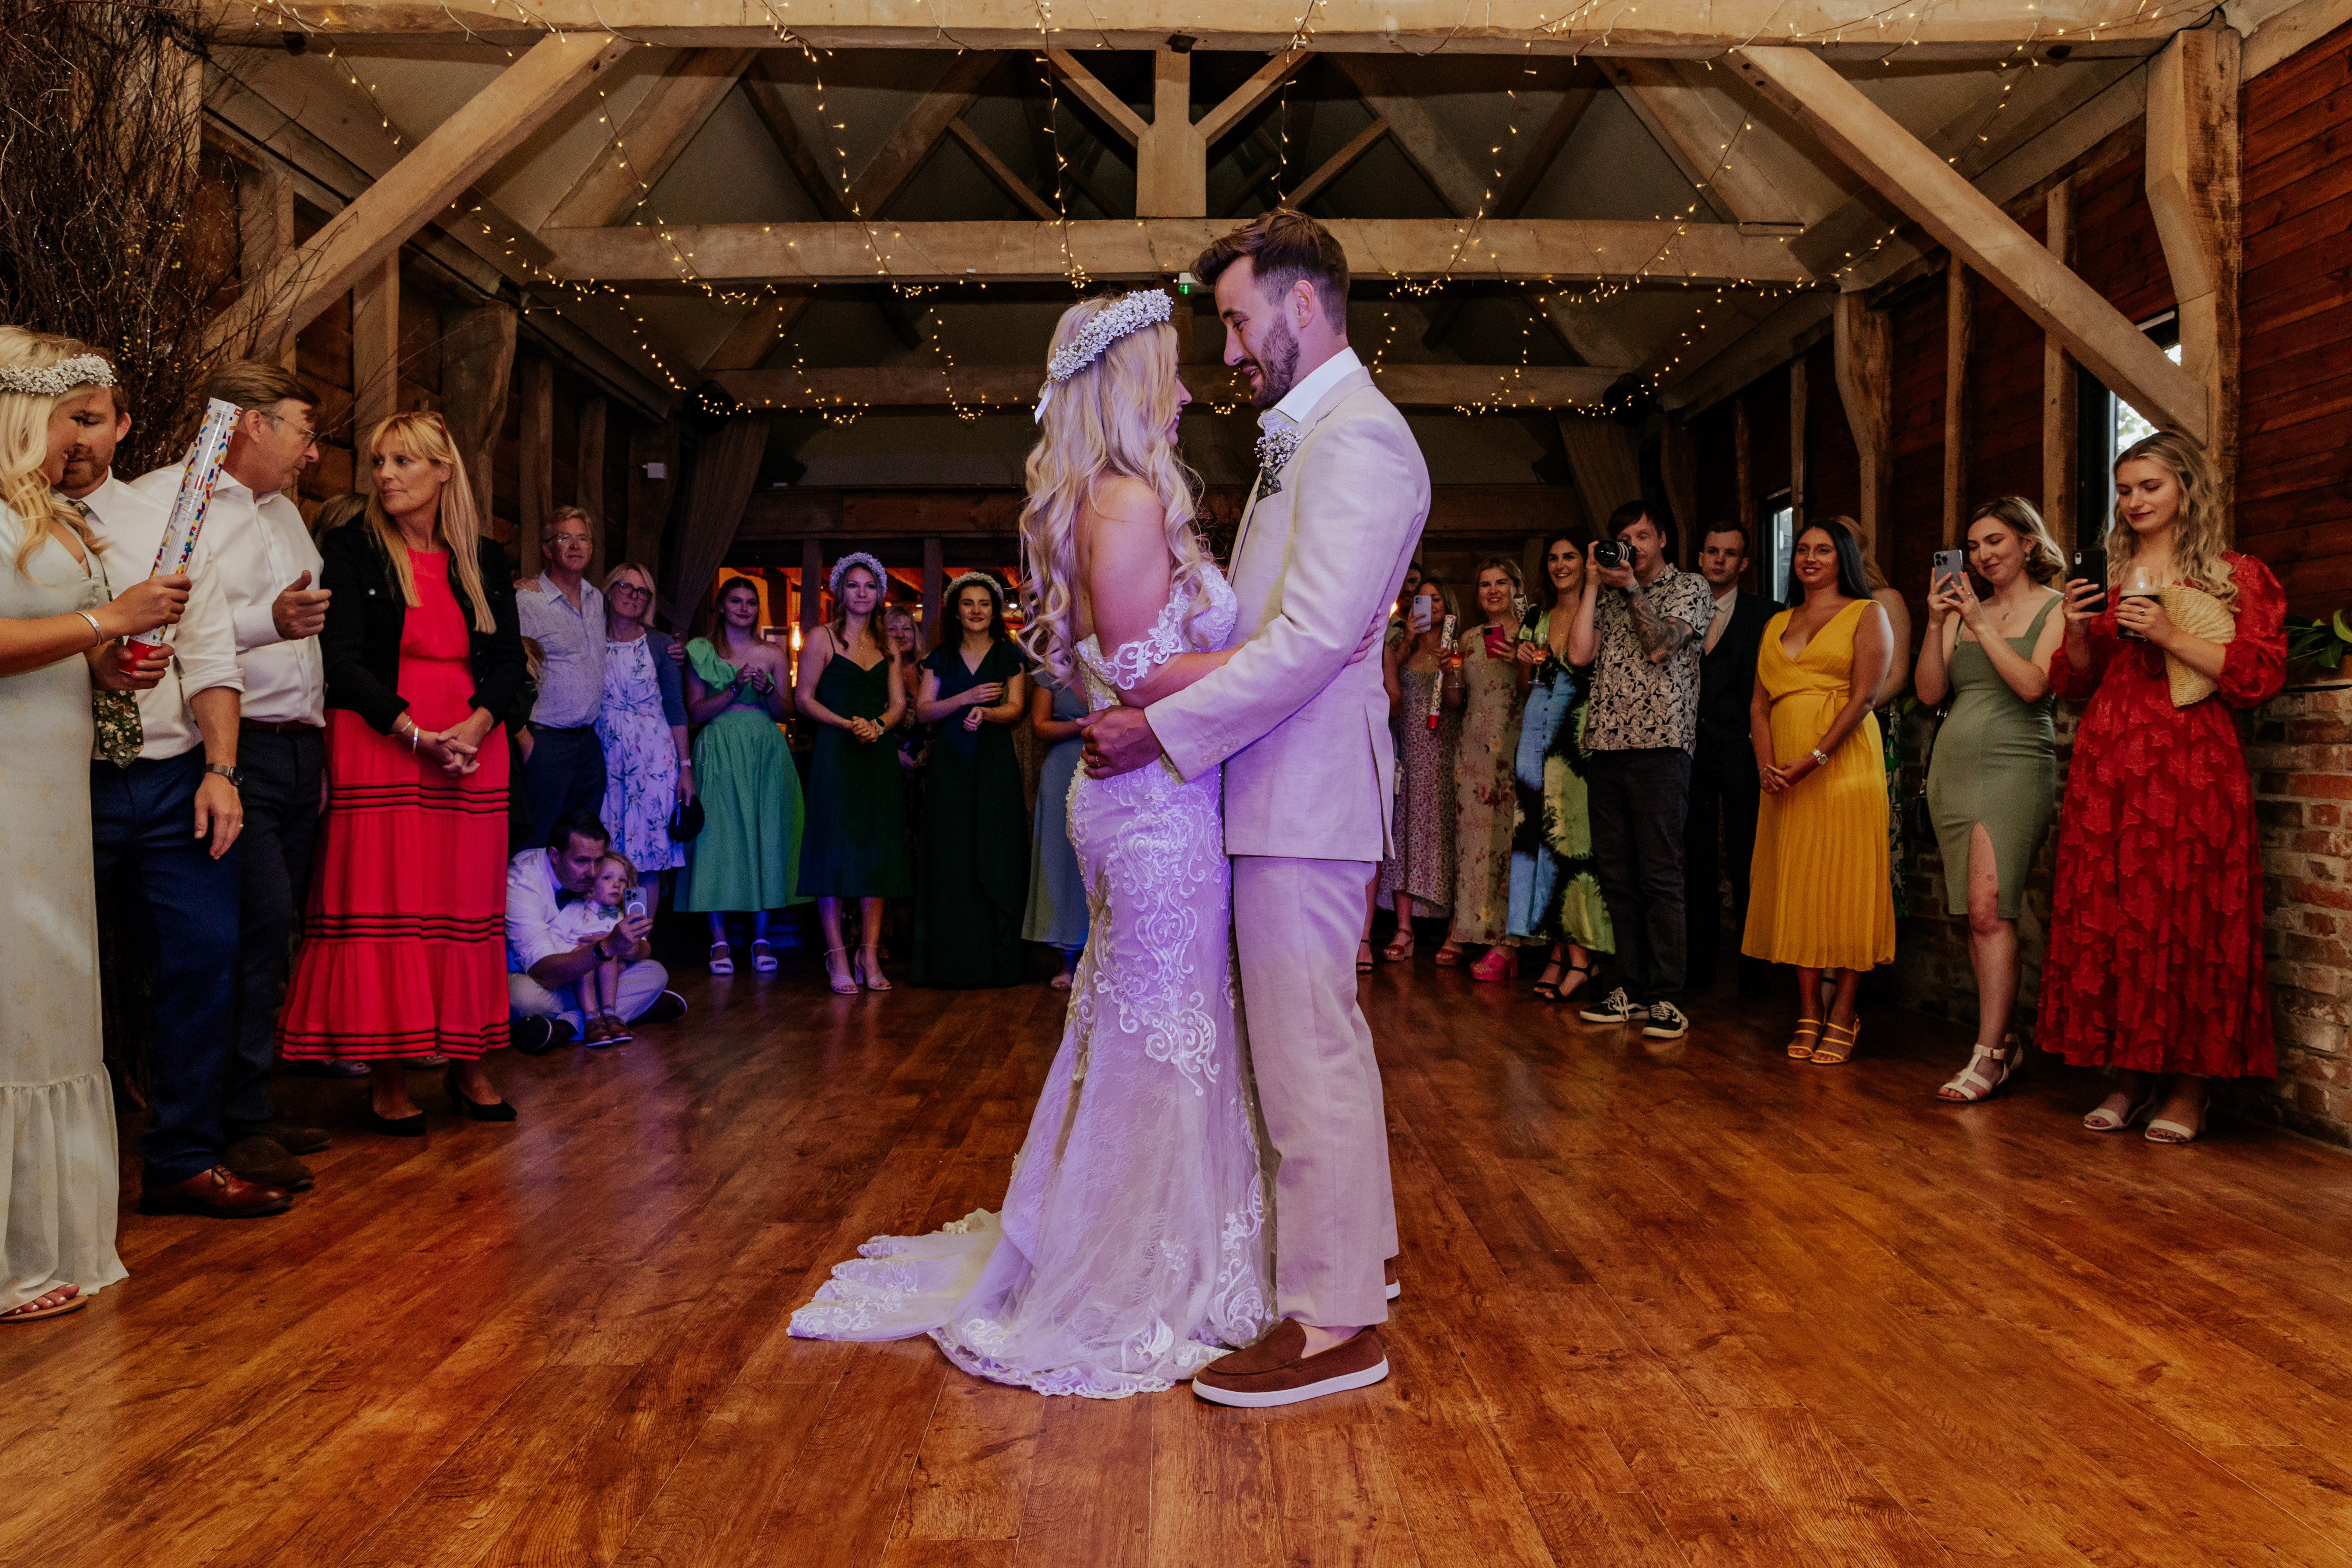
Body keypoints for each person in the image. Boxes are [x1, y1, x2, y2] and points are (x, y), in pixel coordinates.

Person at [790, 286, 1275, 1393]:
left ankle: (1165, 1243)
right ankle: (1132, 1274)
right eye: (1174, 367)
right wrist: (1294, 653)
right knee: (1158, 1030)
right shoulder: (1122, 502)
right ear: (1130, 381)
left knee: (1154, 1025)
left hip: (1155, 788)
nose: (1194, 387)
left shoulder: (1118, 495)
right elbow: (1146, 673)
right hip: (1150, 801)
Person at [1081, 210, 1427, 1404]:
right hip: (1279, 789)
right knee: (1316, 1046)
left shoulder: (1361, 443)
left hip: (1308, 795)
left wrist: (1156, 728)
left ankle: (1332, 1328)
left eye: (1236, 321)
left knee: (1305, 1054)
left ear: (1299, 305)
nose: (1228, 351)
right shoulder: (1309, 437)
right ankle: (1355, 1275)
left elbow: (1315, 641)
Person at [60, 352, 293, 1214]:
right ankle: (52, 1175)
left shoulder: (166, 518)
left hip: (170, 776)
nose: (79, 438)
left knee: (204, 961)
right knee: (50, 975)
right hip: (58, 782)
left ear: (123, 426)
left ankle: (183, 1156)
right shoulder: (19, 523)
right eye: (64, 419)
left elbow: (212, 657)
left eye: (96, 419)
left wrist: (223, 770)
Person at [0, 331, 192, 1319]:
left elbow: (64, 646)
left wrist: (112, 665)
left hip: (53, 794)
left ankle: (46, 1238)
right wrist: (105, 624)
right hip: (3, 795)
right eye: (67, 418)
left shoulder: (57, 525)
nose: (79, 440)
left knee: (55, 999)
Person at [278, 411, 526, 1132]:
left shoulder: (481, 555)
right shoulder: (353, 548)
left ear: (443, 471)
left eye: (403, 462)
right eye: (380, 462)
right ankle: (388, 1078)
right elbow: (341, 659)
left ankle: (469, 1066)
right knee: (388, 908)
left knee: (464, 909)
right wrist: (416, 733)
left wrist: (477, 724)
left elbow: (510, 659)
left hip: (473, 747)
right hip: (384, 738)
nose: (384, 474)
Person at [2041, 432, 2287, 1144]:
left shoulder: (2233, 573)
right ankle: (2127, 1077)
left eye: (2148, 486)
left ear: (2186, 490)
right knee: (2115, 916)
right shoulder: (2112, 568)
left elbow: (2257, 678)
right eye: (2123, 490)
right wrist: (2078, 630)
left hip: (2190, 761)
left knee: (2187, 912)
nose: (2133, 501)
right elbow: (2074, 681)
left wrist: (2172, 634)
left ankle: (2188, 1089)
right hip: (2109, 761)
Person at [131, 359, 342, 1166]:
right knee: (242, 930)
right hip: (228, 745)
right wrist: (270, 621)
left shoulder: (286, 513)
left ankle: (250, 1107)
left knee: (273, 932)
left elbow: (306, 638)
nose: (312, 451)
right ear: (253, 423)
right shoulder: (170, 500)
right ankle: (222, 1123)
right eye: (304, 431)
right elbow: (175, 622)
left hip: (295, 747)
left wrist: (314, 740)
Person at [1917, 499, 2066, 1103]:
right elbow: (1930, 691)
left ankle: (1987, 1055)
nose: (1983, 555)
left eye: (1995, 541)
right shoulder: (1956, 612)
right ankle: (2000, 1045)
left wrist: (1978, 623)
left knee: (1989, 908)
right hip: (1952, 769)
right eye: (1974, 546)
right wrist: (1936, 623)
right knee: (1976, 915)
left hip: (2014, 765)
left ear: (2028, 544)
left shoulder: (2055, 609)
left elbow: (2034, 686)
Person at [1742, 518, 1897, 1066]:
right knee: (1800, 884)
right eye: (1802, 550)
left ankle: (1845, 1011)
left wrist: (1815, 757)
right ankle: (1808, 1009)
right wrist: (1766, 765)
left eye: (1824, 550)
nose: (1810, 558)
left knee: (1846, 882)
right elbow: (1759, 704)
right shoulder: (1777, 622)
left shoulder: (1866, 613)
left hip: (1842, 763)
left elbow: (1864, 697)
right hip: (1782, 772)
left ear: (1844, 559)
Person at [1567, 500, 1714, 1041]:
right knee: (1617, 876)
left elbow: (1658, 649)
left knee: (1659, 876)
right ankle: (1626, 986)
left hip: (1661, 749)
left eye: (1643, 536)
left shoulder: (1689, 588)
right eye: (1625, 537)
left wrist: (1631, 588)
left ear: (1663, 540)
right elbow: (1579, 655)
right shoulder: (1603, 593)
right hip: (1605, 747)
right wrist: (1591, 582)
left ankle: (1667, 998)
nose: (1635, 546)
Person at [796, 551, 912, 994]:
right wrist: (848, 725)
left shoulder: (889, 645)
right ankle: (837, 955)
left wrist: (880, 725)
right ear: (839, 592)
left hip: (877, 753)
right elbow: (804, 698)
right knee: (833, 849)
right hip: (836, 750)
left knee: (876, 850)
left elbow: (899, 702)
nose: (862, 593)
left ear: (879, 594)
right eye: (853, 585)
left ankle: (868, 951)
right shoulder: (820, 638)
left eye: (869, 586)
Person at [678, 575, 804, 974]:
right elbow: (694, 712)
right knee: (717, 839)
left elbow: (786, 712)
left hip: (765, 747)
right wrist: (733, 688)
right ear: (721, 605)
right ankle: (719, 942)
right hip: (717, 746)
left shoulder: (772, 652)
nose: (744, 608)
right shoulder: (700, 650)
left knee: (765, 834)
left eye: (751, 601)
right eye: (736, 600)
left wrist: (768, 691)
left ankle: (761, 937)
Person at [911, 572, 1030, 988]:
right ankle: (950, 961)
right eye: (968, 604)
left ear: (994, 611)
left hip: (994, 763)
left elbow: (1016, 708)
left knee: (995, 848)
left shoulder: (1009, 654)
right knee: (951, 856)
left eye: (984, 603)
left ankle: (998, 960)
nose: (977, 610)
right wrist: (964, 700)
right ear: (956, 612)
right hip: (950, 767)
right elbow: (924, 711)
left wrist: (988, 713)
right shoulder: (940, 657)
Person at [1506, 533, 1611, 1004]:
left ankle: (1583, 961)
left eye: (1568, 556)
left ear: (1585, 563)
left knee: (1570, 840)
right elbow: (1524, 683)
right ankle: (1557, 952)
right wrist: (1522, 659)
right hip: (1535, 727)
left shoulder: (1604, 610)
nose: (1559, 565)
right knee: (1536, 841)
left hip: (1576, 730)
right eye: (1552, 558)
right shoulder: (1534, 617)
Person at [1684, 524, 1778, 998]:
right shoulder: (1677, 609)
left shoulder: (1768, 614)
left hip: (1742, 749)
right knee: (1693, 858)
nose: (1720, 560)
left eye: (1731, 554)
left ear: (1744, 563)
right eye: (1713, 551)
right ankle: (1698, 961)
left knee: (1748, 859)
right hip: (1687, 751)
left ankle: (1752, 965)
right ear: (1700, 557)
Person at [506, 811, 678, 1052]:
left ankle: (567, 1028)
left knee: (655, 973)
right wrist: (605, 949)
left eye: (599, 861)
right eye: (582, 861)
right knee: (520, 999)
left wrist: (625, 948)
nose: (593, 873)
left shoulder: (600, 886)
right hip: (540, 979)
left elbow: (643, 951)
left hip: (595, 979)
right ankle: (627, 1013)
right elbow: (543, 973)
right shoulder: (522, 881)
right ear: (555, 855)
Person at [1449, 557, 1526, 980]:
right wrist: (1450, 673)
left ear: (1516, 586)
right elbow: (1456, 701)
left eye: (1501, 583)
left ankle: (1507, 943)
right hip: (1473, 752)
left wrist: (1522, 660)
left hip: (1516, 745)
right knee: (1474, 846)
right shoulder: (1469, 637)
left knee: (1510, 842)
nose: (1492, 591)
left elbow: (1539, 690)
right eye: (1484, 585)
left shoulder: (1532, 632)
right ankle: (1474, 930)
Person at [513, 505, 607, 849]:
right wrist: (523, 738)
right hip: (546, 741)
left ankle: (574, 904)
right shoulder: (526, 601)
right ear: (547, 548)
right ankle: (532, 904)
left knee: (584, 844)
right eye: (564, 537)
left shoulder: (596, 599)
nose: (575, 545)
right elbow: (507, 668)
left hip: (588, 743)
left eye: (583, 538)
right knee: (539, 839)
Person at [594, 561, 688, 893]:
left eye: (642, 591)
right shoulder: (589, 636)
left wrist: (686, 768)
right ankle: (608, 934)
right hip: (605, 755)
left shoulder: (661, 644)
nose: (633, 596)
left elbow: (676, 707)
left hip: (653, 759)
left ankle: (641, 941)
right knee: (604, 850)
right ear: (609, 591)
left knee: (648, 855)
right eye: (626, 587)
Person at [1377, 576, 1457, 960]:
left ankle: (1453, 926)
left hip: (1444, 751)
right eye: (1422, 601)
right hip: (1408, 753)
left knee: (1446, 833)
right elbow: (1389, 699)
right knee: (1404, 832)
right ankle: (1404, 927)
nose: (1431, 606)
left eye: (1437, 599)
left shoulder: (1459, 649)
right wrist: (1407, 639)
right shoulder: (1400, 650)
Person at [1023, 667, 1091, 988]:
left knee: (1097, 860)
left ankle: (1098, 957)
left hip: (1104, 766)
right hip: (1062, 768)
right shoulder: (1048, 673)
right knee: (1061, 860)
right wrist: (1081, 724)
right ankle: (1064, 958)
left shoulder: (1111, 661)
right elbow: (1040, 726)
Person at [552, 853, 637, 1044]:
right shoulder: (576, 909)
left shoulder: (622, 916)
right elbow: (554, 938)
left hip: (608, 979)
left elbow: (632, 946)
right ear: (591, 883)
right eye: (608, 878)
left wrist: (622, 958)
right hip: (577, 971)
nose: (617, 884)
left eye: (622, 880)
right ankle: (591, 1018)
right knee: (593, 954)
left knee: (611, 954)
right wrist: (577, 950)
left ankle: (610, 1014)